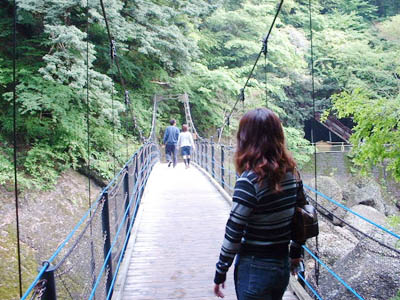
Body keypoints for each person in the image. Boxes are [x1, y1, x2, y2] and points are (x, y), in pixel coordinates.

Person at [213, 108, 304, 300]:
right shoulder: (292, 174)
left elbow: (234, 231)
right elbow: (300, 217)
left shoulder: (249, 182)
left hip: (255, 267)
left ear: (245, 139)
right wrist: (296, 252)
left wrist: (221, 270)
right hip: (281, 266)